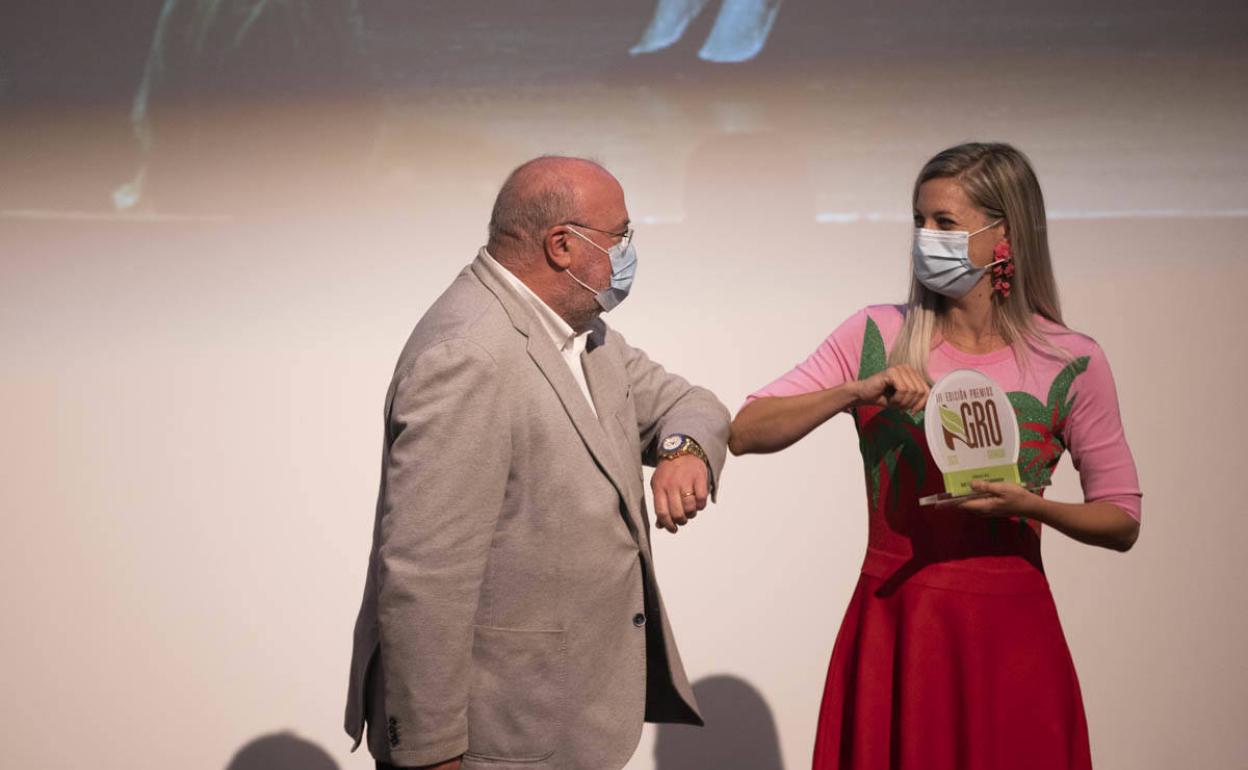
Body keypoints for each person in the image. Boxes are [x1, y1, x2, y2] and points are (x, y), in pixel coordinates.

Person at [730, 142, 1141, 769]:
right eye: (919, 221)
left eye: (945, 223)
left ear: (1004, 233)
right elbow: (746, 429)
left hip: (1012, 635)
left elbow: (1121, 519)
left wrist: (1032, 506)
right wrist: (852, 392)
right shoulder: (875, 334)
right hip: (897, 620)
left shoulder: (1071, 359)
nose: (926, 238)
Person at [344, 156, 730, 770]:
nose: (629, 252)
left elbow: (692, 403)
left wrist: (681, 452)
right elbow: (425, 573)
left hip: (569, 722)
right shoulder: (468, 356)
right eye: (620, 236)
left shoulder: (583, 334)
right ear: (562, 246)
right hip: (498, 740)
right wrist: (431, 753)